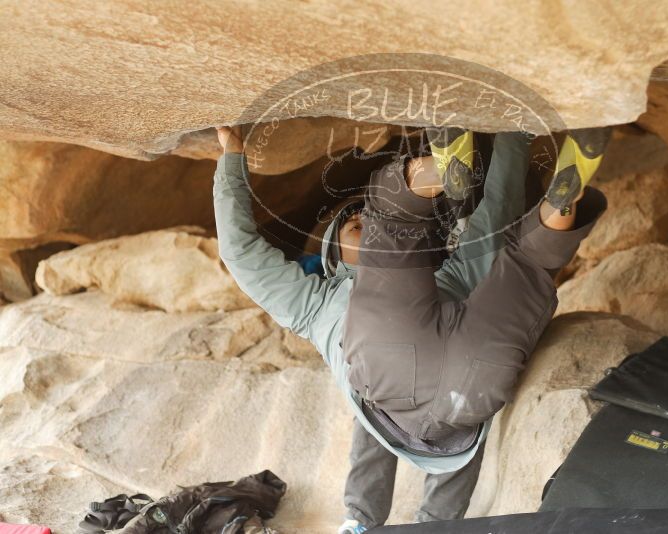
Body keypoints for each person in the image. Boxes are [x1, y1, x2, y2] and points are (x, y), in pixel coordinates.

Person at [213, 124, 609, 533]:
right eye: (352, 225)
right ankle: (534, 193)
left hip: (464, 387)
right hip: (456, 391)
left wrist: (515, 132)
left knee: (524, 261)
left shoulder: (425, 280)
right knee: (526, 262)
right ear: (333, 261)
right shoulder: (316, 301)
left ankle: (545, 195)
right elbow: (240, 251)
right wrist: (231, 160)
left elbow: (498, 209)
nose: (361, 219)